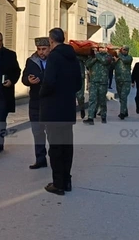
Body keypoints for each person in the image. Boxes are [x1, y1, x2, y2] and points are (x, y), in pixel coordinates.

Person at [39, 28, 82, 196]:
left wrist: (42, 93)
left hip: (53, 110)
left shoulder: (54, 57)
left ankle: (58, 184)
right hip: (67, 109)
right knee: (66, 146)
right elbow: (78, 83)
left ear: (51, 41)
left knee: (55, 148)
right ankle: (67, 180)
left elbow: (49, 82)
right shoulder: (73, 57)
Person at [22, 37, 51, 169]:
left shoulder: (54, 61)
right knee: (37, 132)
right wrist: (28, 80)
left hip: (50, 102)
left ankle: (54, 158)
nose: (41, 52)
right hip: (35, 102)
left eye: (44, 49)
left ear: (49, 48)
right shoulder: (31, 61)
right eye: (39, 49)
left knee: (51, 133)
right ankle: (40, 159)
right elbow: (24, 78)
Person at [83, 43, 113, 125]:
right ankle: (90, 117)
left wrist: (97, 56)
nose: (101, 49)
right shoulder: (94, 57)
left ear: (106, 49)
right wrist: (94, 58)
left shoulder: (108, 57)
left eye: (103, 48)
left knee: (102, 100)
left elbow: (104, 61)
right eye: (100, 48)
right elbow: (87, 64)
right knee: (92, 100)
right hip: (93, 82)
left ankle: (103, 116)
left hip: (103, 82)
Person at [113, 45, 133, 119]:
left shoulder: (129, 57)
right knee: (121, 97)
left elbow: (125, 60)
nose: (124, 51)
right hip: (118, 80)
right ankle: (125, 111)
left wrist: (119, 54)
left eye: (126, 50)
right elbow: (111, 66)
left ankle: (122, 113)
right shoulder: (118, 58)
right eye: (123, 50)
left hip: (126, 80)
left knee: (123, 96)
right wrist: (114, 61)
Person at [76, 53, 88, 119]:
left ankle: (82, 109)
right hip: (70, 77)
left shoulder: (82, 56)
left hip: (80, 76)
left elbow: (87, 61)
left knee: (80, 96)